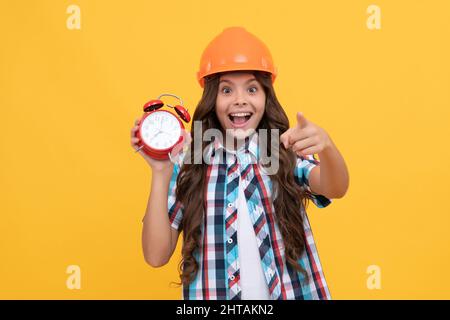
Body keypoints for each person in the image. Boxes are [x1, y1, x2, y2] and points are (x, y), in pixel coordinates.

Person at [131, 27, 349, 300]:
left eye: (252, 88)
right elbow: (155, 255)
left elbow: (335, 187)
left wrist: (326, 147)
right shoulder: (190, 163)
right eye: (226, 90)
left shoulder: (281, 151)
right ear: (212, 99)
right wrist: (161, 172)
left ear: (266, 97)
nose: (240, 100)